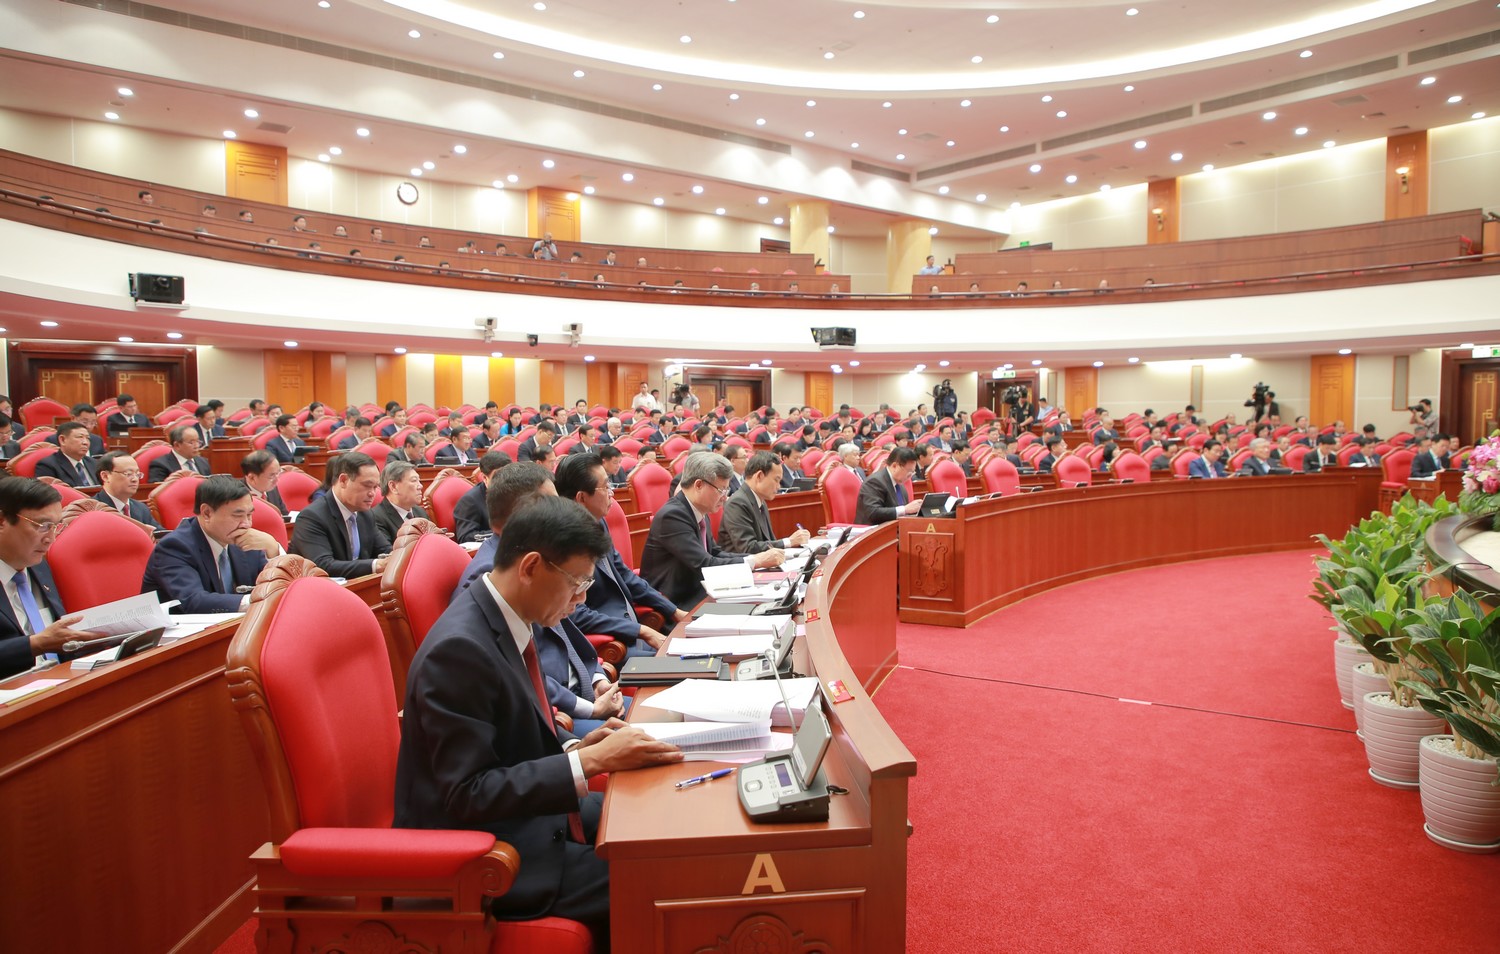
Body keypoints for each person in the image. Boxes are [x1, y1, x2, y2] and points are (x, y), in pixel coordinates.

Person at [394, 496, 683, 945]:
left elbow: (510, 737)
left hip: (530, 817)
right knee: (663, 877)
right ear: (530, 566)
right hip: (489, 851)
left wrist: (577, 747)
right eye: (577, 583)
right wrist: (588, 763)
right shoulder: (459, 650)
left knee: (662, 825)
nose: (581, 599)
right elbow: (467, 793)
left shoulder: (508, 614)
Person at [554, 454, 683, 657]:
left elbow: (624, 574)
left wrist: (673, 611)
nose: (612, 493)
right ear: (581, 498)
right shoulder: (560, 543)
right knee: (685, 664)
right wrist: (639, 630)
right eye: (605, 487)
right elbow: (574, 613)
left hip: (634, 630)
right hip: (610, 643)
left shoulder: (598, 522)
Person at [639, 453, 783, 610]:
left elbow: (715, 553)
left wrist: (753, 559)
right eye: (721, 490)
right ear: (699, 485)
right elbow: (705, 564)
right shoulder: (672, 516)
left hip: (701, 592)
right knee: (754, 611)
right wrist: (755, 561)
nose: (725, 497)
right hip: (677, 603)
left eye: (727, 489)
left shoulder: (699, 510)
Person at [0, 478, 103, 677]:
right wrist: (35, 644)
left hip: (62, 681)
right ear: (2, 521)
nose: (51, 538)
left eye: (56, 526)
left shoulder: (40, 567)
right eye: (42, 525)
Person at [141, 476, 281, 613]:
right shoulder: (175, 546)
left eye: (249, 515)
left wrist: (272, 549)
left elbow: (278, 587)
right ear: (207, 513)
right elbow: (194, 601)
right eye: (237, 515)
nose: (246, 524)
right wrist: (259, 601)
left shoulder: (246, 540)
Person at [288, 451, 391, 577]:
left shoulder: (366, 515)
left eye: (375, 487)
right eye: (367, 486)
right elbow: (323, 566)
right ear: (343, 480)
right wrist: (377, 565)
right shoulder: (312, 517)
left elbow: (385, 550)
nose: (372, 493)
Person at [718, 451, 812, 554]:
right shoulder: (737, 503)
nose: (778, 486)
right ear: (759, 476)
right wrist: (789, 542)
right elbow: (748, 547)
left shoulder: (760, 501)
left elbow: (768, 540)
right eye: (776, 480)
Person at [454, 451, 512, 544]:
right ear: (485, 478)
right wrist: (504, 533)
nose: (504, 480)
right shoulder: (470, 501)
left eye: (507, 475)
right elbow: (466, 537)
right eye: (497, 477)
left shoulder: (516, 491)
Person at [855, 446, 923, 525]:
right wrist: (905, 509)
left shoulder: (899, 483)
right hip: (873, 529)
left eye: (913, 472)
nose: (910, 476)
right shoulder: (874, 482)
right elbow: (873, 512)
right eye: (909, 471)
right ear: (894, 466)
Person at [94, 452, 162, 528]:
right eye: (128, 474)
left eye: (137, 474)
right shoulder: (93, 509)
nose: (135, 479)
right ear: (105, 476)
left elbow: (160, 533)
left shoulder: (141, 508)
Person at [372, 460, 429, 542]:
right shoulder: (376, 518)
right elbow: (388, 549)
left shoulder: (420, 512)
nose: (420, 486)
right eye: (414, 481)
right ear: (393, 487)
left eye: (419, 481)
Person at [35, 422, 99, 488]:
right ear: (62, 440)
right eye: (80, 437)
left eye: (88, 438)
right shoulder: (48, 465)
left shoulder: (94, 463)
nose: (85, 442)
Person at [148, 425, 213, 481]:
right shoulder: (161, 465)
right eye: (191, 442)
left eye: (198, 441)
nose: (197, 446)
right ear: (177, 445)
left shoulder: (203, 462)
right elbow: (157, 489)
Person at [240, 449, 288, 516]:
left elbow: (284, 514)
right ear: (252, 477)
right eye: (272, 475)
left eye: (278, 473)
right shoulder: (238, 495)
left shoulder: (272, 488)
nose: (277, 480)